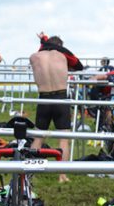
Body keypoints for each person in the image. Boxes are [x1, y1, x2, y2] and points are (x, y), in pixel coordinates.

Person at [29, 32, 83, 183]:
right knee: (64, 139)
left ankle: (30, 172)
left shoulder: (34, 57)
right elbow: (78, 65)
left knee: (38, 137)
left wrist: (43, 41)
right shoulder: (62, 55)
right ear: (60, 46)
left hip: (44, 97)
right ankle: (62, 175)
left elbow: (42, 52)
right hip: (61, 97)